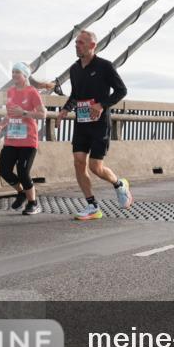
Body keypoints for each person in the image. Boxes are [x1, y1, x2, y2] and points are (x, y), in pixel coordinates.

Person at [56, 30, 133, 221]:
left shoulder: (104, 66)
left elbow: (121, 91)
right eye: (76, 43)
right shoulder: (74, 69)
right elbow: (75, 94)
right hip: (81, 123)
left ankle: (119, 184)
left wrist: (101, 105)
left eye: (81, 43)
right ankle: (92, 206)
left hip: (99, 124)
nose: (77, 45)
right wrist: (65, 110)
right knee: (78, 162)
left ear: (92, 46)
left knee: (95, 167)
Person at [0, 63, 46, 215]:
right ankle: (21, 193)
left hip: (28, 140)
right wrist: (0, 126)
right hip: (12, 138)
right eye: (13, 72)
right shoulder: (11, 91)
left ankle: (33, 203)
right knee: (4, 170)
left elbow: (42, 114)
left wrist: (25, 113)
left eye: (17, 72)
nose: (14, 75)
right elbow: (10, 114)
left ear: (25, 75)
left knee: (23, 172)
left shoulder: (32, 92)